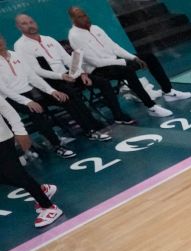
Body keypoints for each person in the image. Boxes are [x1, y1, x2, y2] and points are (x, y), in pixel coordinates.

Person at [0, 33, 111, 159]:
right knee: (36, 112)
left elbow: (32, 77)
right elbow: (3, 89)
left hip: (31, 91)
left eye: (0, 39)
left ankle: (90, 131)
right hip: (10, 98)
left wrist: (52, 91)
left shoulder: (15, 54)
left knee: (66, 98)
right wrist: (27, 102)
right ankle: (57, 145)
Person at [14, 13, 137, 126]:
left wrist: (81, 73)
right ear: (18, 27)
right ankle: (93, 125)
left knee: (102, 82)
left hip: (69, 74)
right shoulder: (20, 45)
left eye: (31, 22)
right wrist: (61, 76)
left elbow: (67, 59)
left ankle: (118, 115)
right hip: (51, 81)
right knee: (71, 93)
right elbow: (36, 71)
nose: (30, 25)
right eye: (24, 23)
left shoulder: (48, 39)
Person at [67, 7, 187, 119]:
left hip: (114, 61)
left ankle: (168, 91)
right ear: (72, 19)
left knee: (148, 57)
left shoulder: (96, 28)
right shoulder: (74, 36)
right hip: (98, 69)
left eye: (84, 15)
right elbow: (95, 62)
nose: (85, 18)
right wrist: (122, 62)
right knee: (127, 71)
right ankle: (151, 107)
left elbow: (114, 46)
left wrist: (132, 58)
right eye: (80, 17)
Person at [1, 96, 62, 228]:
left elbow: (7, 109)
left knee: (18, 174)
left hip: (2, 139)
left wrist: (20, 132)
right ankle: (41, 189)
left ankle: (49, 208)